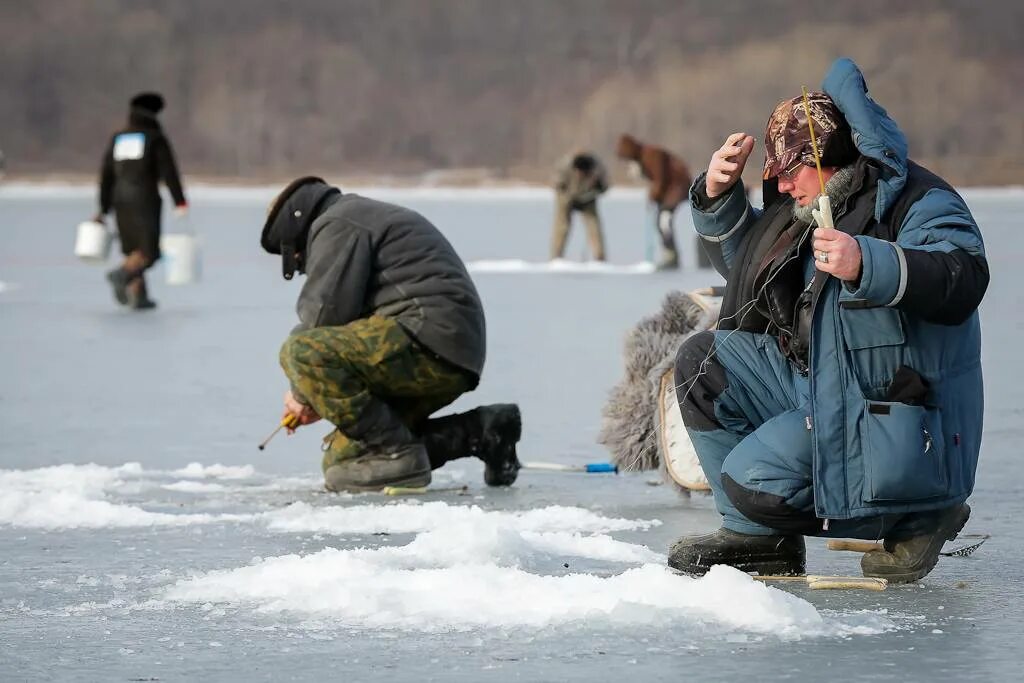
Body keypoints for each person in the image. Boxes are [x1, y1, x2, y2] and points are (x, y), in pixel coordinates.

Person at [668, 58, 988, 583]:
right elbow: (757, 272)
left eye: (790, 171)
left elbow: (964, 276)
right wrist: (720, 198)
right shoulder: (818, 204)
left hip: (893, 415)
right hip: (816, 385)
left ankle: (921, 514)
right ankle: (756, 541)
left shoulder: (915, 200)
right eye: (774, 175)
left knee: (755, 481)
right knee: (703, 363)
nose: (784, 185)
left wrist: (869, 262)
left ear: (828, 157)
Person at [262, 176, 522, 492]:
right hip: (451, 352)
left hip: (425, 338)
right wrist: (319, 395)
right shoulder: (354, 216)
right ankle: (481, 432)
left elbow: (323, 317)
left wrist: (302, 395)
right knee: (344, 463)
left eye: (298, 258)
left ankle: (396, 453)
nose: (303, 266)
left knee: (298, 352)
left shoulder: (339, 222)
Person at [94, 92, 188, 310]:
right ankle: (122, 274)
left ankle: (139, 295)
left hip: (120, 199)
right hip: (144, 199)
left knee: (132, 247)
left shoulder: (119, 138)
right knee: (148, 251)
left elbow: (106, 174)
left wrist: (103, 206)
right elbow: (169, 171)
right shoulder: (154, 138)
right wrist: (180, 200)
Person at [616, 134, 693, 269]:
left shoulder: (652, 154)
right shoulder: (645, 156)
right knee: (661, 221)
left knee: (664, 221)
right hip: (670, 191)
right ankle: (670, 256)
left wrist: (653, 196)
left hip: (677, 189)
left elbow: (660, 178)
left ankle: (672, 258)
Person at [550, 151, 609, 261]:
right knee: (562, 227)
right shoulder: (564, 167)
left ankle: (600, 257)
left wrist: (593, 191)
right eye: (580, 173)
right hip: (566, 198)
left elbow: (604, 188)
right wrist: (568, 197)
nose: (582, 175)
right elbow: (557, 185)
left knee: (594, 226)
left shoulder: (598, 170)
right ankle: (556, 257)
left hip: (588, 199)